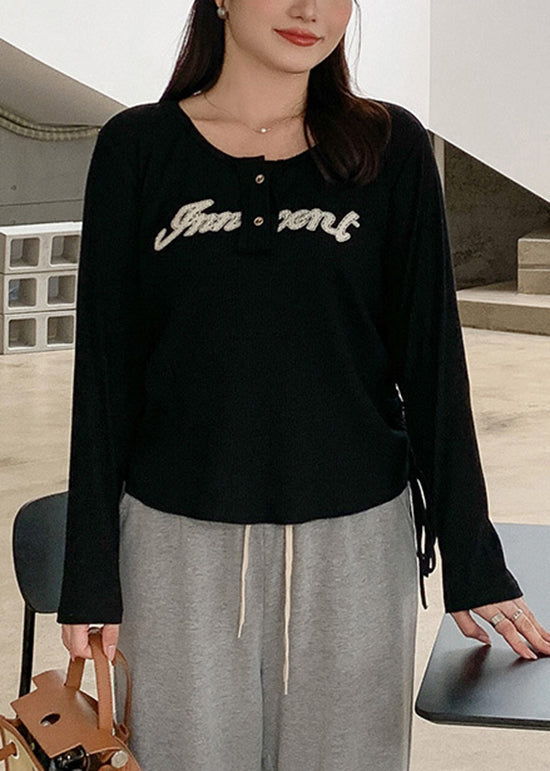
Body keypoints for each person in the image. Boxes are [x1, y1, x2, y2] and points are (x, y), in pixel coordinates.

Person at [57, 0, 550, 769]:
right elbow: (104, 379)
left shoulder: (390, 148)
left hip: (356, 547)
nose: (309, 9)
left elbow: (431, 365)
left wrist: (471, 554)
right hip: (175, 548)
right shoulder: (138, 148)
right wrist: (90, 572)